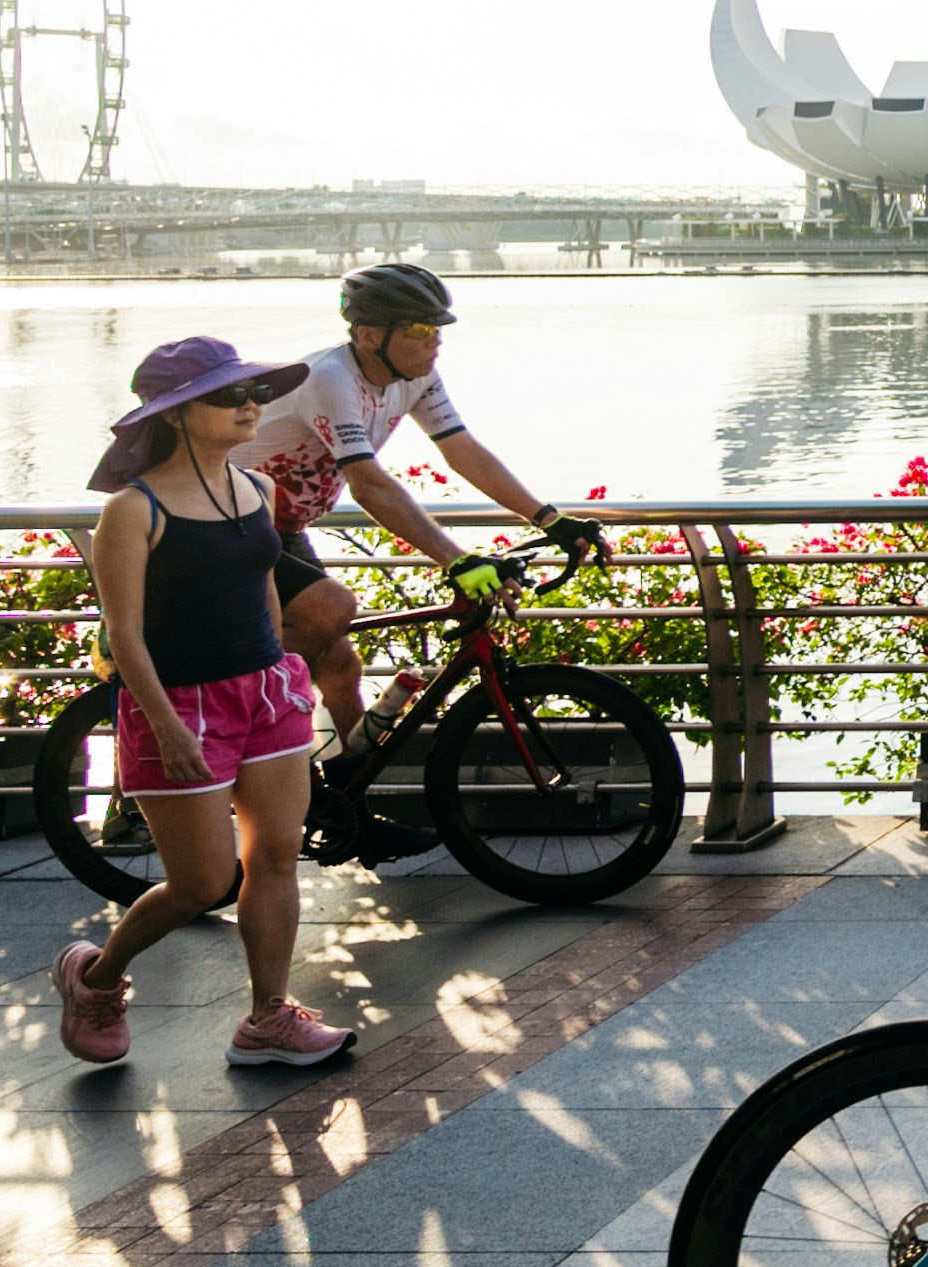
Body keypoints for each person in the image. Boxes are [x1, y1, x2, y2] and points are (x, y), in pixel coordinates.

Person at [50, 338, 357, 1069]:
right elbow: (124, 633)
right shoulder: (133, 509)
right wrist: (163, 726)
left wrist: (288, 677)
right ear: (180, 414)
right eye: (230, 396)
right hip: (178, 707)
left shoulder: (257, 491)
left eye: (254, 392)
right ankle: (94, 977)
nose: (251, 406)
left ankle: (267, 1018)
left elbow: (261, 596)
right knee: (201, 883)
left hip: (266, 692)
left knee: (278, 856)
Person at [246, 264, 596, 760]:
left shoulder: (419, 377)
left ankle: (351, 806)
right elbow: (370, 486)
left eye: (437, 329)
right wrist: (457, 560)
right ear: (369, 336)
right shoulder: (330, 380)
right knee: (332, 609)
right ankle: (238, 715)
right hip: (228, 525)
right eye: (419, 329)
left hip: (284, 527)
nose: (435, 341)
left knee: (341, 666)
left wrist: (549, 518)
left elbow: (463, 451)